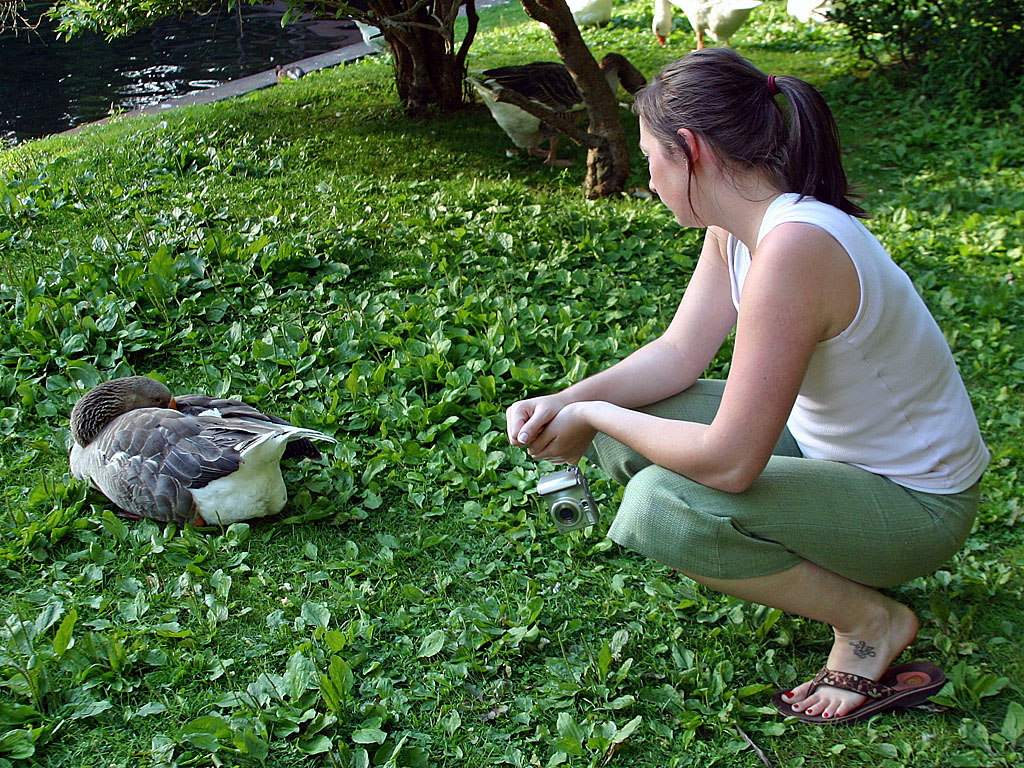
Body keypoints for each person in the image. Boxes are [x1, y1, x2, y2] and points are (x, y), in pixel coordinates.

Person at [504, 48, 988, 725]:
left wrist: (597, 412)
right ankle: (831, 567)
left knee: (660, 506)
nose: (648, 180)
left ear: (690, 151)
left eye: (650, 158)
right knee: (630, 434)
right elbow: (679, 353)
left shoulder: (795, 249)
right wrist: (567, 402)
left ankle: (871, 621)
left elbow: (732, 463)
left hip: (917, 509)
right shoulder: (746, 226)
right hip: (836, 460)